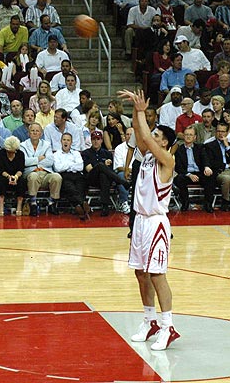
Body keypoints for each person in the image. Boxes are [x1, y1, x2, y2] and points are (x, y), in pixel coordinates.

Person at [118, 89, 180, 351]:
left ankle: (168, 327)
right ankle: (149, 321)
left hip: (156, 223)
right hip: (140, 222)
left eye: (157, 135)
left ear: (164, 142)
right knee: (141, 273)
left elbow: (144, 135)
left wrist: (143, 111)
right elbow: (138, 133)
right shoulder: (148, 157)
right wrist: (135, 109)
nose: (151, 137)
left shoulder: (167, 160)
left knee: (157, 274)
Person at [81, 131, 131, 217]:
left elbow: (110, 171)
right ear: (91, 141)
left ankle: (105, 206)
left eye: (98, 139)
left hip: (104, 179)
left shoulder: (107, 153)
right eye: (93, 139)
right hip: (91, 178)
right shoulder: (86, 153)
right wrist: (102, 164)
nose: (96, 141)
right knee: (101, 166)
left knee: (104, 175)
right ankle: (122, 182)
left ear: (101, 140)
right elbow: (89, 169)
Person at [53, 132, 90, 219]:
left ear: (71, 142)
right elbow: (58, 168)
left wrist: (66, 165)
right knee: (69, 187)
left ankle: (78, 206)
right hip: (64, 175)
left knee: (81, 184)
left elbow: (80, 167)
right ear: (61, 141)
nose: (66, 142)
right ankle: (82, 203)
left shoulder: (76, 153)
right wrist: (72, 165)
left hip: (77, 174)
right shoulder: (56, 154)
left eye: (68, 140)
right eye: (64, 140)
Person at [0, 136, 26, 216]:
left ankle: (19, 205)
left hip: (16, 176)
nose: (11, 153)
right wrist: (9, 177)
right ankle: (1, 205)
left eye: (13, 151)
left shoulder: (20, 154)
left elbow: (21, 169)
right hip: (4, 175)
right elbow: (0, 169)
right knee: (0, 181)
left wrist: (15, 177)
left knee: (22, 181)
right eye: (9, 151)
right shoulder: (0, 154)